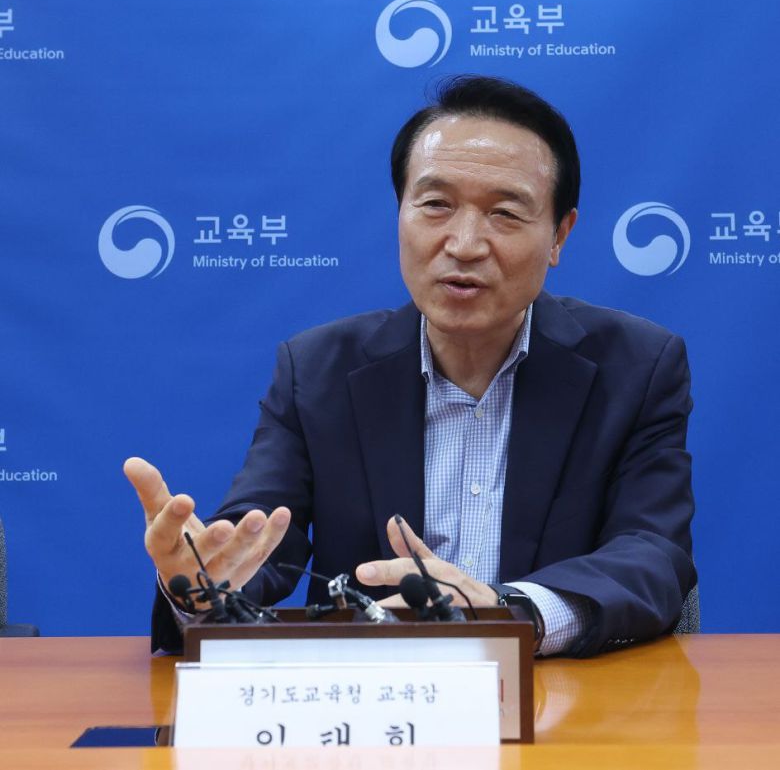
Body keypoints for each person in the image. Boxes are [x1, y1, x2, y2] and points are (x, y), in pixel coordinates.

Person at [125, 76, 695, 657]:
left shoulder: (637, 368)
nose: (465, 244)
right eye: (436, 205)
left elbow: (653, 555)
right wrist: (202, 584)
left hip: (560, 695)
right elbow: (258, 539)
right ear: (401, 212)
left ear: (558, 236)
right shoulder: (317, 370)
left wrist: (511, 614)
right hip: (375, 694)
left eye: (504, 213)